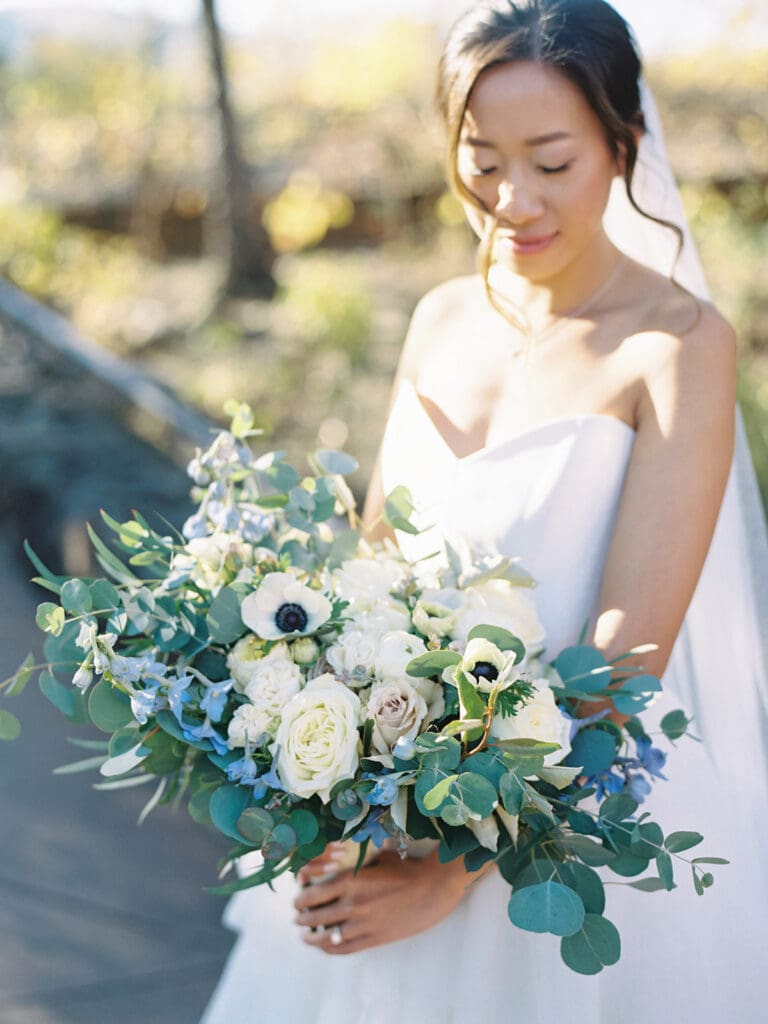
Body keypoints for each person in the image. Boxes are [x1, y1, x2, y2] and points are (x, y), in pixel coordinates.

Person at [201, 2, 768, 1021]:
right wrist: (327, 786)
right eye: (483, 158)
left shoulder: (677, 346)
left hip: (559, 831)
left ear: (623, 144)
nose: (513, 199)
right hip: (392, 811)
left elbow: (623, 657)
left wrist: (453, 871)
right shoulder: (439, 318)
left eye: (553, 161)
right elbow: (372, 576)